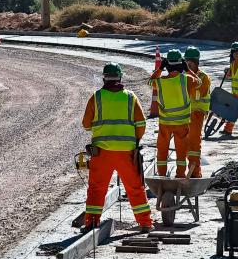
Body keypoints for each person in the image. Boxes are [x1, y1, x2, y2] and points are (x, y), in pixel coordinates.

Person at [81, 63, 152, 232]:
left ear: (104, 78)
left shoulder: (96, 97)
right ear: (120, 77)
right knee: (135, 188)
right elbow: (141, 125)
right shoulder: (130, 97)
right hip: (126, 153)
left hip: (101, 153)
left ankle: (91, 222)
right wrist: (134, 141)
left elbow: (85, 124)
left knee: (96, 188)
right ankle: (145, 223)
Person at [148, 48, 201, 177]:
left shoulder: (159, 82)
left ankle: (161, 175)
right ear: (181, 63)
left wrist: (160, 68)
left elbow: (150, 81)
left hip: (165, 123)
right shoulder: (186, 79)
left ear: (167, 65)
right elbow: (198, 82)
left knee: (162, 150)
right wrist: (187, 69)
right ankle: (180, 175)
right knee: (181, 151)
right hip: (182, 123)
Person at [184, 46, 211, 177]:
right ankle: (183, 172)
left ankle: (195, 172)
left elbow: (199, 93)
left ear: (196, 63)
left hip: (197, 113)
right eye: (187, 63)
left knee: (194, 142)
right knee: (184, 142)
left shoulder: (203, 77)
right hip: (183, 114)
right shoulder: (183, 76)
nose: (189, 65)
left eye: (191, 63)